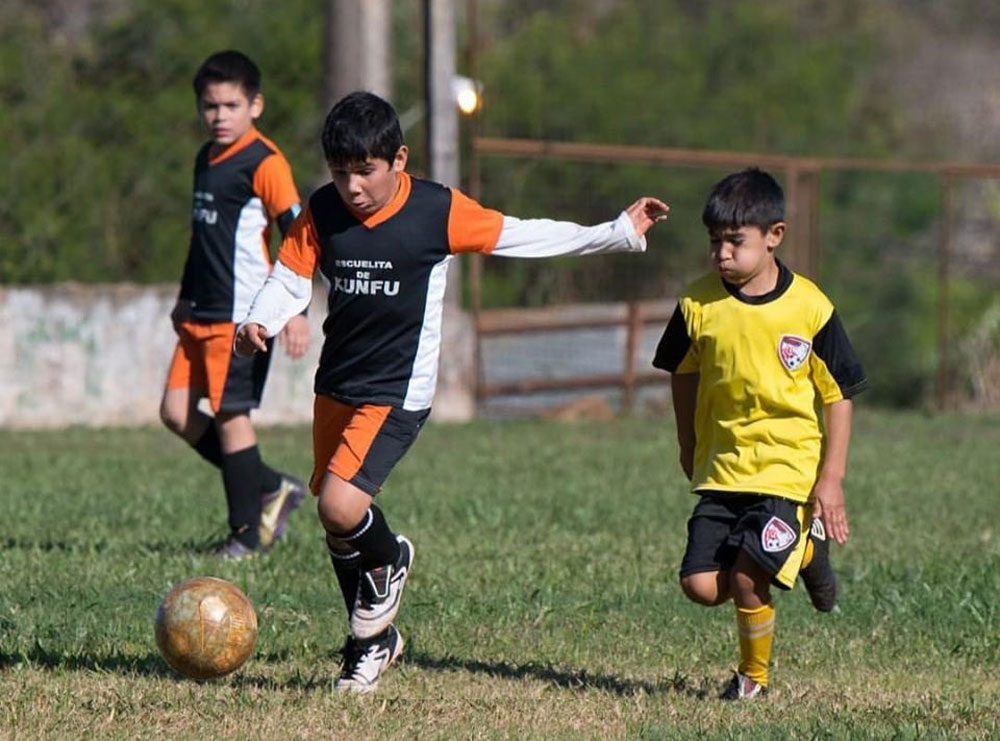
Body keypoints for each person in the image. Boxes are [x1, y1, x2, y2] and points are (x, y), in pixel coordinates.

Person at [234, 91, 669, 694]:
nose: (353, 187)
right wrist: (259, 319)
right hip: (337, 381)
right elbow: (289, 277)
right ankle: (372, 644)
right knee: (339, 525)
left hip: (397, 389)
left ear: (399, 160)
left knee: (340, 506)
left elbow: (521, 235)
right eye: (341, 173)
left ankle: (391, 562)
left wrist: (616, 233)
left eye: (366, 171)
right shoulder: (323, 211)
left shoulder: (436, 211)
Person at [652, 168, 867, 700]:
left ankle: (753, 679)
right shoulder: (696, 306)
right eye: (713, 242)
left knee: (749, 578)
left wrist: (831, 479)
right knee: (701, 586)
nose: (721, 255)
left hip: (787, 473)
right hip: (724, 469)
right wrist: (687, 443)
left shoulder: (811, 308)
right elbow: (681, 371)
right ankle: (808, 553)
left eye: (734, 242)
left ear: (775, 236)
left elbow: (839, 394)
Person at [160, 50, 311, 561]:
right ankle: (271, 486)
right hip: (199, 312)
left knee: (231, 417)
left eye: (231, 105)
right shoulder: (205, 159)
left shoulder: (265, 163)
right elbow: (201, 237)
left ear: (255, 105)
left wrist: (295, 311)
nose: (219, 116)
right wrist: (185, 292)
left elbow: (298, 235)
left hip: (241, 316)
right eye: (210, 106)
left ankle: (247, 535)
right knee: (176, 413)